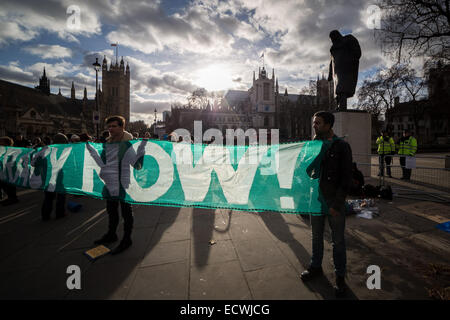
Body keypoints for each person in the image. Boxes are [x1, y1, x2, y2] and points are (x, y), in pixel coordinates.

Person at [301, 111, 353, 298]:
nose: (315, 126)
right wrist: (313, 154)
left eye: (318, 123)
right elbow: (307, 170)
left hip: (332, 202)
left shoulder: (341, 146)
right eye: (314, 122)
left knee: (337, 241)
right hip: (315, 200)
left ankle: (340, 277)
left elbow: (346, 179)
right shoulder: (315, 145)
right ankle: (316, 266)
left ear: (329, 125)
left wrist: (337, 204)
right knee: (316, 237)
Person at [94, 115, 134, 255]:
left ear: (122, 127)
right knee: (111, 209)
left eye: (114, 126)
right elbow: (103, 160)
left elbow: (138, 165)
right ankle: (111, 234)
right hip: (110, 180)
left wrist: (140, 153)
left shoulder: (128, 143)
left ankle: (127, 239)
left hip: (122, 181)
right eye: (109, 126)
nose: (110, 129)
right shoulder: (108, 142)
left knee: (125, 211)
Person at [328, 30, 361, 111]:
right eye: (331, 38)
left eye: (333, 37)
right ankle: (340, 106)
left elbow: (357, 52)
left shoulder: (349, 39)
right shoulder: (333, 48)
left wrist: (351, 60)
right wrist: (330, 73)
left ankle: (342, 107)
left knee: (343, 88)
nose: (332, 40)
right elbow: (332, 61)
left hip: (347, 68)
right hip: (337, 71)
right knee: (338, 90)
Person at [41, 133, 68, 221]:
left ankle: (45, 215)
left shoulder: (46, 150)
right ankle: (60, 213)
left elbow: (35, 162)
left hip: (48, 176)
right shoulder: (67, 150)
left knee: (48, 197)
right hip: (61, 176)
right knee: (61, 195)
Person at [0, 136, 19, 206]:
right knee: (4, 184)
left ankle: (13, 198)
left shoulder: (11, 150)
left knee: (9, 184)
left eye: (1, 142)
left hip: (9, 170)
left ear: (6, 143)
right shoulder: (3, 150)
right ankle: (12, 197)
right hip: (4, 170)